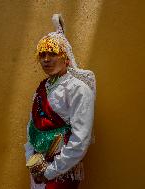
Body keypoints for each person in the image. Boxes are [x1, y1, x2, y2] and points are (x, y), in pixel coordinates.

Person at [24, 14, 96, 189]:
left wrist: (50, 171)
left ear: (65, 57)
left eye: (52, 54)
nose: (46, 59)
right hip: (38, 169)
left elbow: (80, 139)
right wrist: (32, 162)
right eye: (42, 55)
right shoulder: (41, 88)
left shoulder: (78, 89)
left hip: (62, 172)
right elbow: (31, 127)